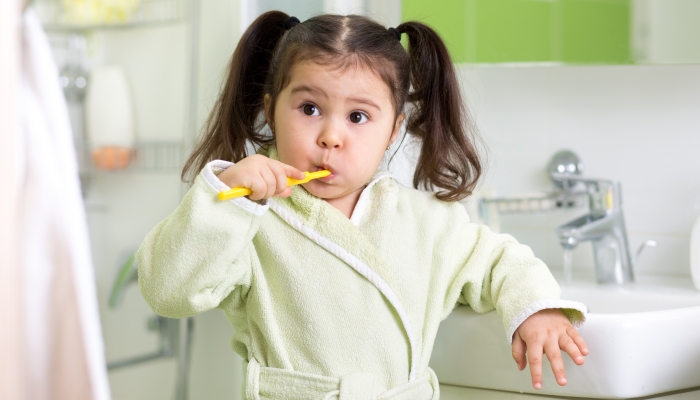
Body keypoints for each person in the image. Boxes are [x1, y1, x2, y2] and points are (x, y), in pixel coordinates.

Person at [138, 11, 589, 399]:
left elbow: (499, 261)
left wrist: (536, 308)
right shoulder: (249, 217)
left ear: (393, 130)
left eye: (358, 117)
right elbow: (168, 291)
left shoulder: (429, 222)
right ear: (271, 109)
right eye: (310, 108)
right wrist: (224, 200)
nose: (331, 136)